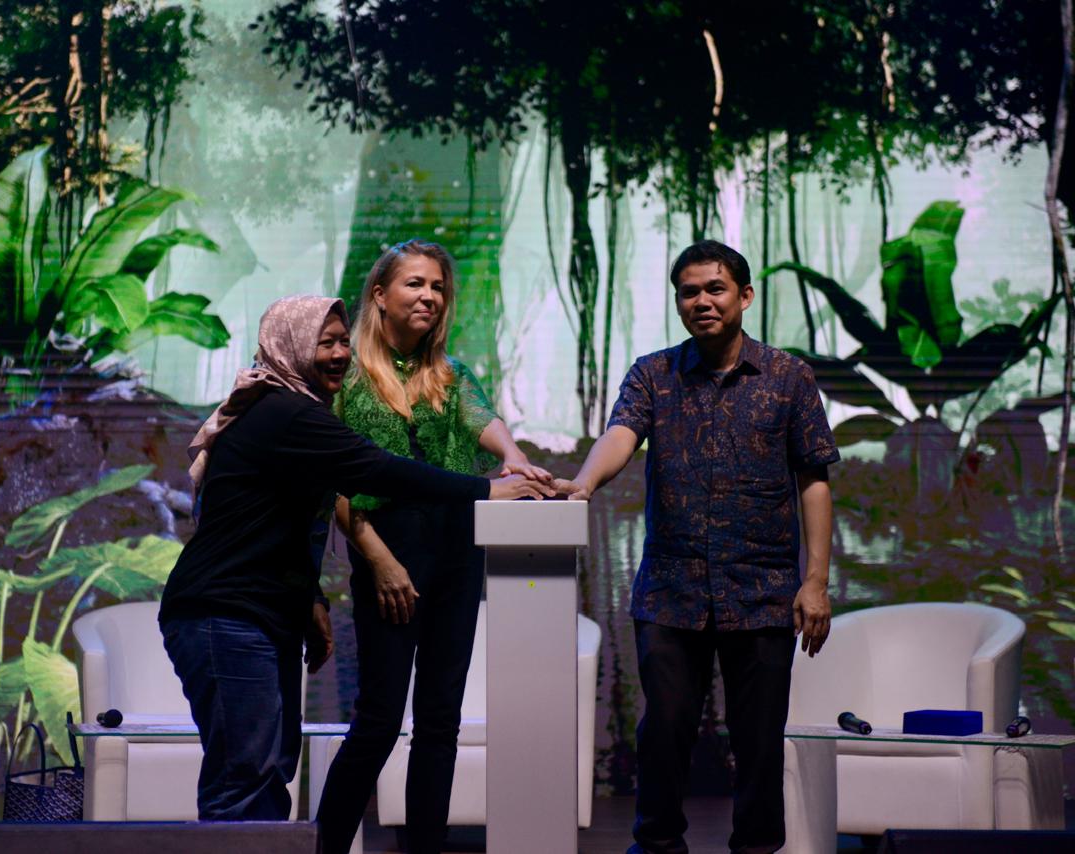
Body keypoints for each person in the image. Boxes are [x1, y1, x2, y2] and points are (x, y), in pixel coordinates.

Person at [158, 295, 549, 823]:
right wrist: (485, 490)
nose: (341, 353)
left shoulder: (291, 408)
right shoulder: (286, 412)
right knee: (244, 780)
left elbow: (281, 525)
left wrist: (311, 599)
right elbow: (377, 469)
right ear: (291, 347)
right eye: (325, 343)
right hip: (225, 614)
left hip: (261, 612)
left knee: (269, 770)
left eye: (344, 341)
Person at [558, 241, 838, 854]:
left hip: (763, 590)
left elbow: (814, 479)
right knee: (663, 731)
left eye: (715, 288)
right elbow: (621, 434)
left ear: (744, 296)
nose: (702, 301)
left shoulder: (788, 377)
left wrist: (815, 581)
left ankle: (757, 849)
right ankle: (657, 846)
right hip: (671, 588)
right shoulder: (653, 374)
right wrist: (583, 484)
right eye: (689, 292)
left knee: (759, 741)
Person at [316, 240, 550, 854]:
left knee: (441, 719)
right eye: (415, 284)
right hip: (388, 551)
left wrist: (514, 457)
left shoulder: (448, 371)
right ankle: (325, 847)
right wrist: (377, 558)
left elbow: (479, 418)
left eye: (438, 287)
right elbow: (332, 484)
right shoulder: (347, 376)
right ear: (379, 294)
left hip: (456, 551)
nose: (429, 296)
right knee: (378, 720)